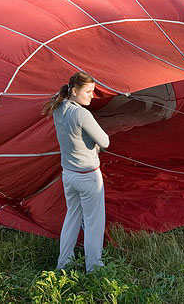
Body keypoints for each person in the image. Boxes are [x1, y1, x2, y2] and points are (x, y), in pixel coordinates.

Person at [43, 71, 110, 272]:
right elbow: (105, 141)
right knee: (93, 223)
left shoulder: (58, 108)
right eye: (88, 91)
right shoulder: (82, 113)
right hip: (88, 176)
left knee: (71, 217)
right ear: (74, 91)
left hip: (68, 175)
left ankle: (63, 263)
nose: (92, 95)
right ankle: (94, 269)